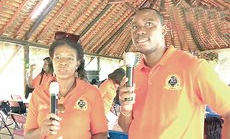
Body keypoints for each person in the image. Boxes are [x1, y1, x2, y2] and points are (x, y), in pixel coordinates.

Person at [118, 8, 230, 139]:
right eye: (134, 26)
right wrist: (125, 109)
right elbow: (127, 129)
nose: (139, 30)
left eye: (149, 24)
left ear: (163, 30)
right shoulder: (132, 76)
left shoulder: (193, 67)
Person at [24, 32, 108, 139]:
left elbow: (101, 133)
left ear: (77, 63)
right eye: (58, 57)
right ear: (52, 61)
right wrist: (42, 130)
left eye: (70, 58)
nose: (63, 62)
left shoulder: (92, 92)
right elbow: (28, 135)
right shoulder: (39, 92)